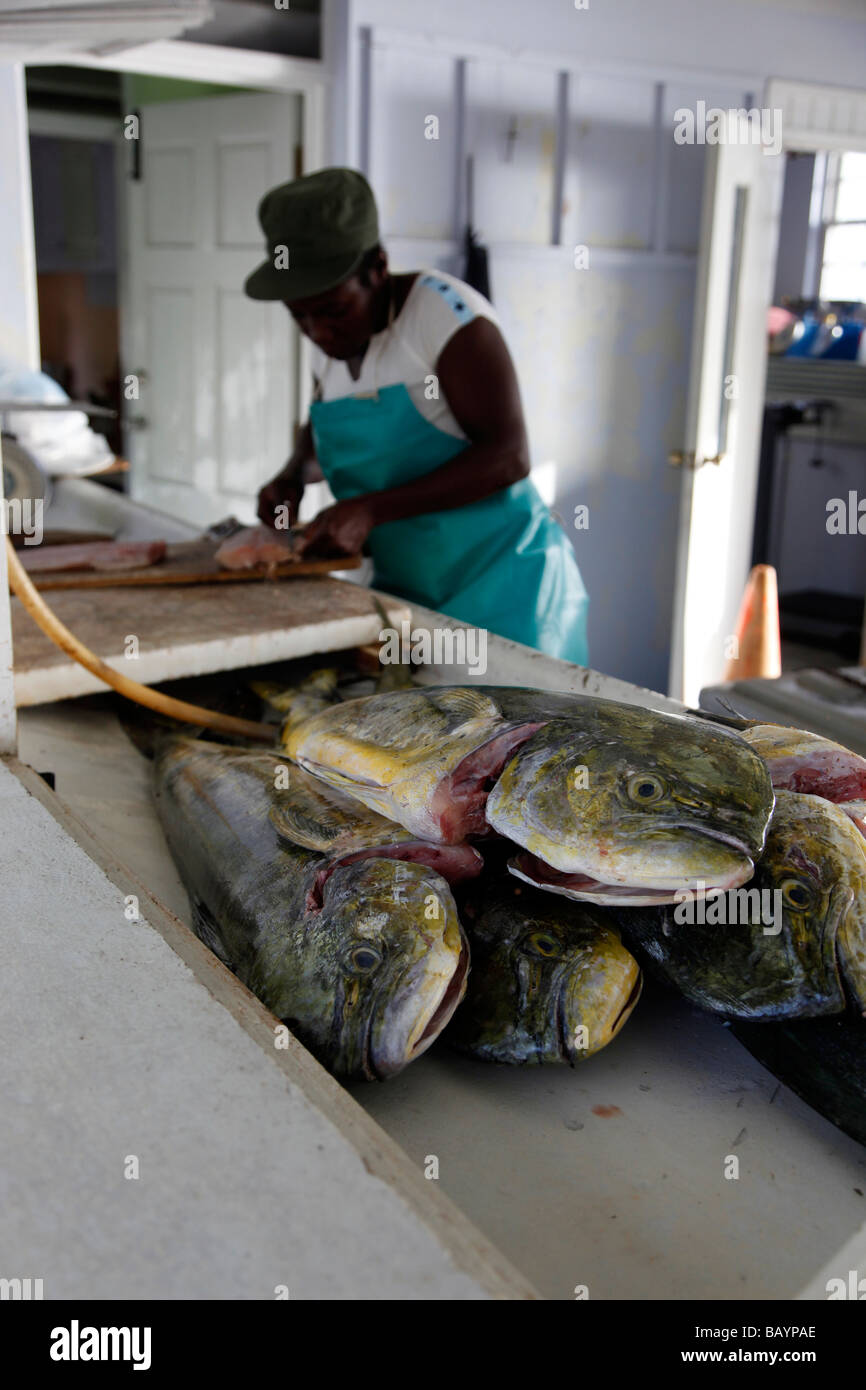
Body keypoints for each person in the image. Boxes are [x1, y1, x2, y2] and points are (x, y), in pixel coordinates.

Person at [246, 167, 589, 663]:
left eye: (332, 311)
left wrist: (370, 510)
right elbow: (326, 424)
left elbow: (509, 456)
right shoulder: (333, 342)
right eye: (299, 316)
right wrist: (292, 474)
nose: (317, 331)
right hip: (408, 592)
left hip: (507, 593)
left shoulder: (446, 319)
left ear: (377, 268)